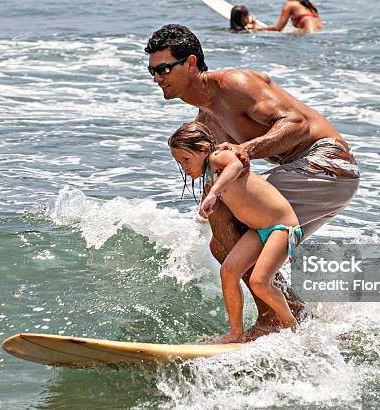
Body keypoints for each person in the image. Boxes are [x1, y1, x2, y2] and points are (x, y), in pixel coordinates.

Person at [145, 24, 359, 340]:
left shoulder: (234, 84)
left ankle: (274, 319)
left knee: (228, 218)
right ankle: (293, 315)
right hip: (308, 177)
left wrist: (247, 149)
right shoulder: (206, 119)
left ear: (191, 63)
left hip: (327, 164)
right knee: (223, 242)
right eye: (151, 71)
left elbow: (296, 125)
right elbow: (214, 169)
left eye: (163, 69)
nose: (156, 78)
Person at [169, 121, 302, 343]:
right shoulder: (211, 174)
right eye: (179, 163)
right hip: (259, 230)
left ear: (203, 149)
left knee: (259, 282)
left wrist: (213, 193)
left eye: (186, 159)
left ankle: (292, 326)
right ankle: (236, 333)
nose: (184, 167)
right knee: (229, 272)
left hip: (282, 227)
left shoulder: (217, 158)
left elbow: (236, 165)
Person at [252, 0, 323, 33]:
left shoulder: (290, 5)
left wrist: (257, 29)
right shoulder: (308, 4)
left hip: (308, 35)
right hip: (319, 33)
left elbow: (278, 28)